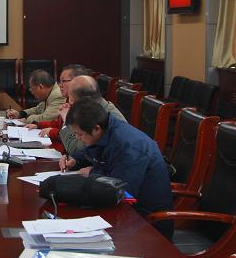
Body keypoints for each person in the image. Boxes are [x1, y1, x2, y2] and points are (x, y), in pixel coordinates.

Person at [59, 97, 174, 239]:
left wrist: (93, 172)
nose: (77, 138)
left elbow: (121, 190)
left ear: (96, 128)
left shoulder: (129, 146)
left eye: (79, 134)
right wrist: (75, 159)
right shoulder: (105, 131)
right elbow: (93, 151)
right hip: (124, 215)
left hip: (147, 224)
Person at [27, 65, 89, 153]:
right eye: (60, 81)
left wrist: (53, 131)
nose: (60, 85)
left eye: (63, 81)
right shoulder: (69, 100)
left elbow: (75, 144)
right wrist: (39, 125)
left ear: (78, 83)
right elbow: (59, 123)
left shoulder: (86, 107)